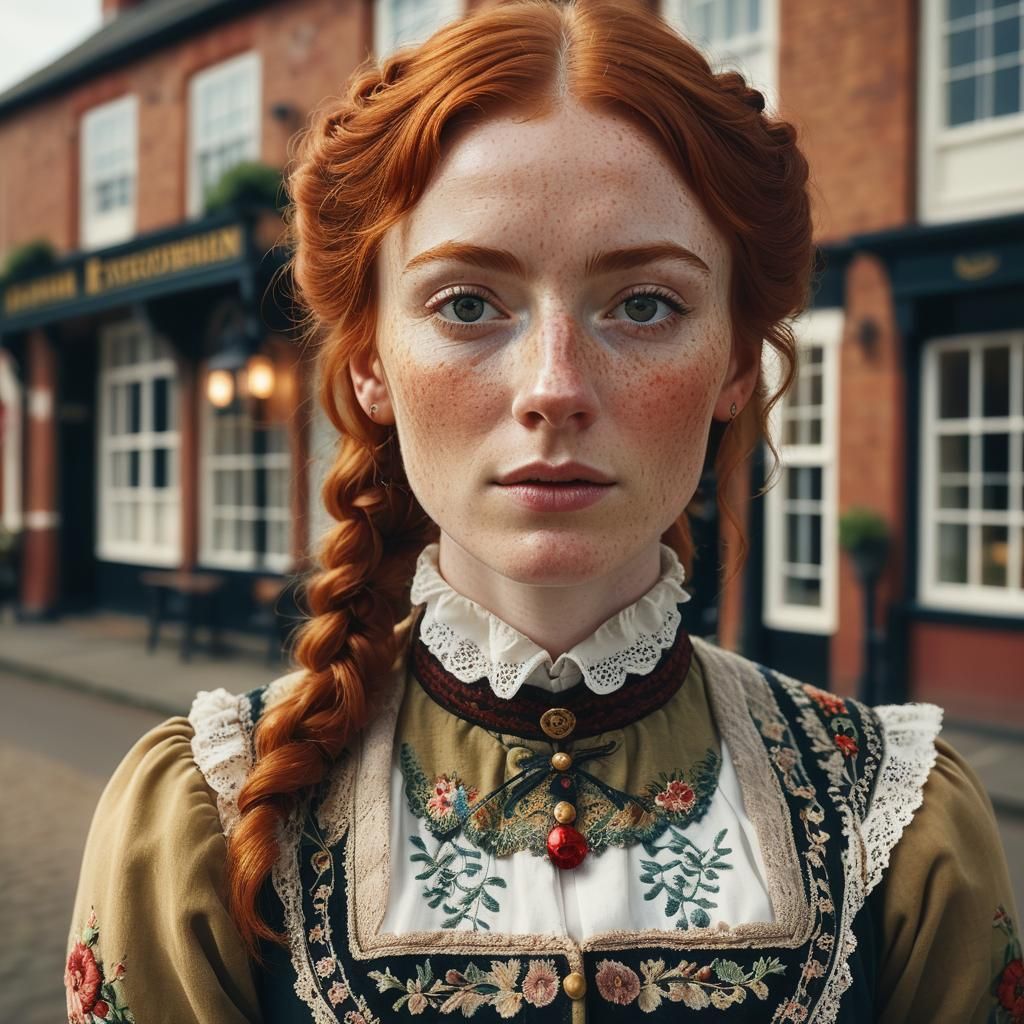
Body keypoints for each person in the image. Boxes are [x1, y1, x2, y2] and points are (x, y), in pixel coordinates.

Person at [65, 1, 1021, 1021]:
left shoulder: (894, 818)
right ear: (370, 361)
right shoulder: (210, 815)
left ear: (737, 362)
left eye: (644, 304)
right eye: (468, 304)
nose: (553, 387)